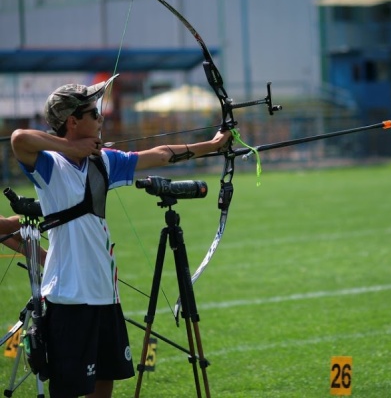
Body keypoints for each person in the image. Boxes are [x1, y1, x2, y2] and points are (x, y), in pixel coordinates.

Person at [11, 74, 231, 398]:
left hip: (105, 294)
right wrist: (70, 146)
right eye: (94, 113)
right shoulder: (49, 166)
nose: (101, 118)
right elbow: (19, 139)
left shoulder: (104, 161)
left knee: (104, 383)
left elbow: (159, 155)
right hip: (68, 296)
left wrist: (213, 145)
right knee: (68, 388)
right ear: (72, 121)